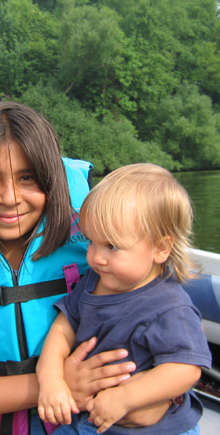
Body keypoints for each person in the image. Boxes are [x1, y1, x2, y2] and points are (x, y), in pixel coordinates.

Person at [0, 103, 170, 435]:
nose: (9, 198)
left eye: (27, 177)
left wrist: (160, 395)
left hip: (80, 418)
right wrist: (52, 384)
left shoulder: (93, 250)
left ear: (51, 179)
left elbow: (161, 315)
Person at [36, 163, 212, 434]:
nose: (96, 257)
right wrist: (51, 380)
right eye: (91, 241)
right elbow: (61, 331)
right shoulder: (92, 283)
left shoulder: (170, 307)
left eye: (112, 246)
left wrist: (124, 398)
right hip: (86, 421)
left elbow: (186, 369)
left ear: (161, 248)